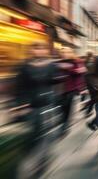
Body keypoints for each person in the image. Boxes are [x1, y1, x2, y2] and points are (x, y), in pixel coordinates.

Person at [14, 43, 60, 178]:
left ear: (46, 51)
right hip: (31, 106)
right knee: (32, 136)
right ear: (31, 50)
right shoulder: (25, 67)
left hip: (47, 104)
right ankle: (29, 157)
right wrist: (20, 105)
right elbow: (19, 87)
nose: (39, 51)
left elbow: (55, 82)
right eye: (36, 48)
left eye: (42, 48)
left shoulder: (51, 65)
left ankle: (42, 162)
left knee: (48, 134)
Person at [56, 47, 86, 135]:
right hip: (60, 89)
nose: (65, 54)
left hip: (72, 89)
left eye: (67, 52)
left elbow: (81, 72)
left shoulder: (76, 61)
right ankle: (63, 122)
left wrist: (68, 68)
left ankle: (65, 125)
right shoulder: (59, 62)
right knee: (62, 108)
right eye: (63, 52)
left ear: (71, 53)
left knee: (68, 106)